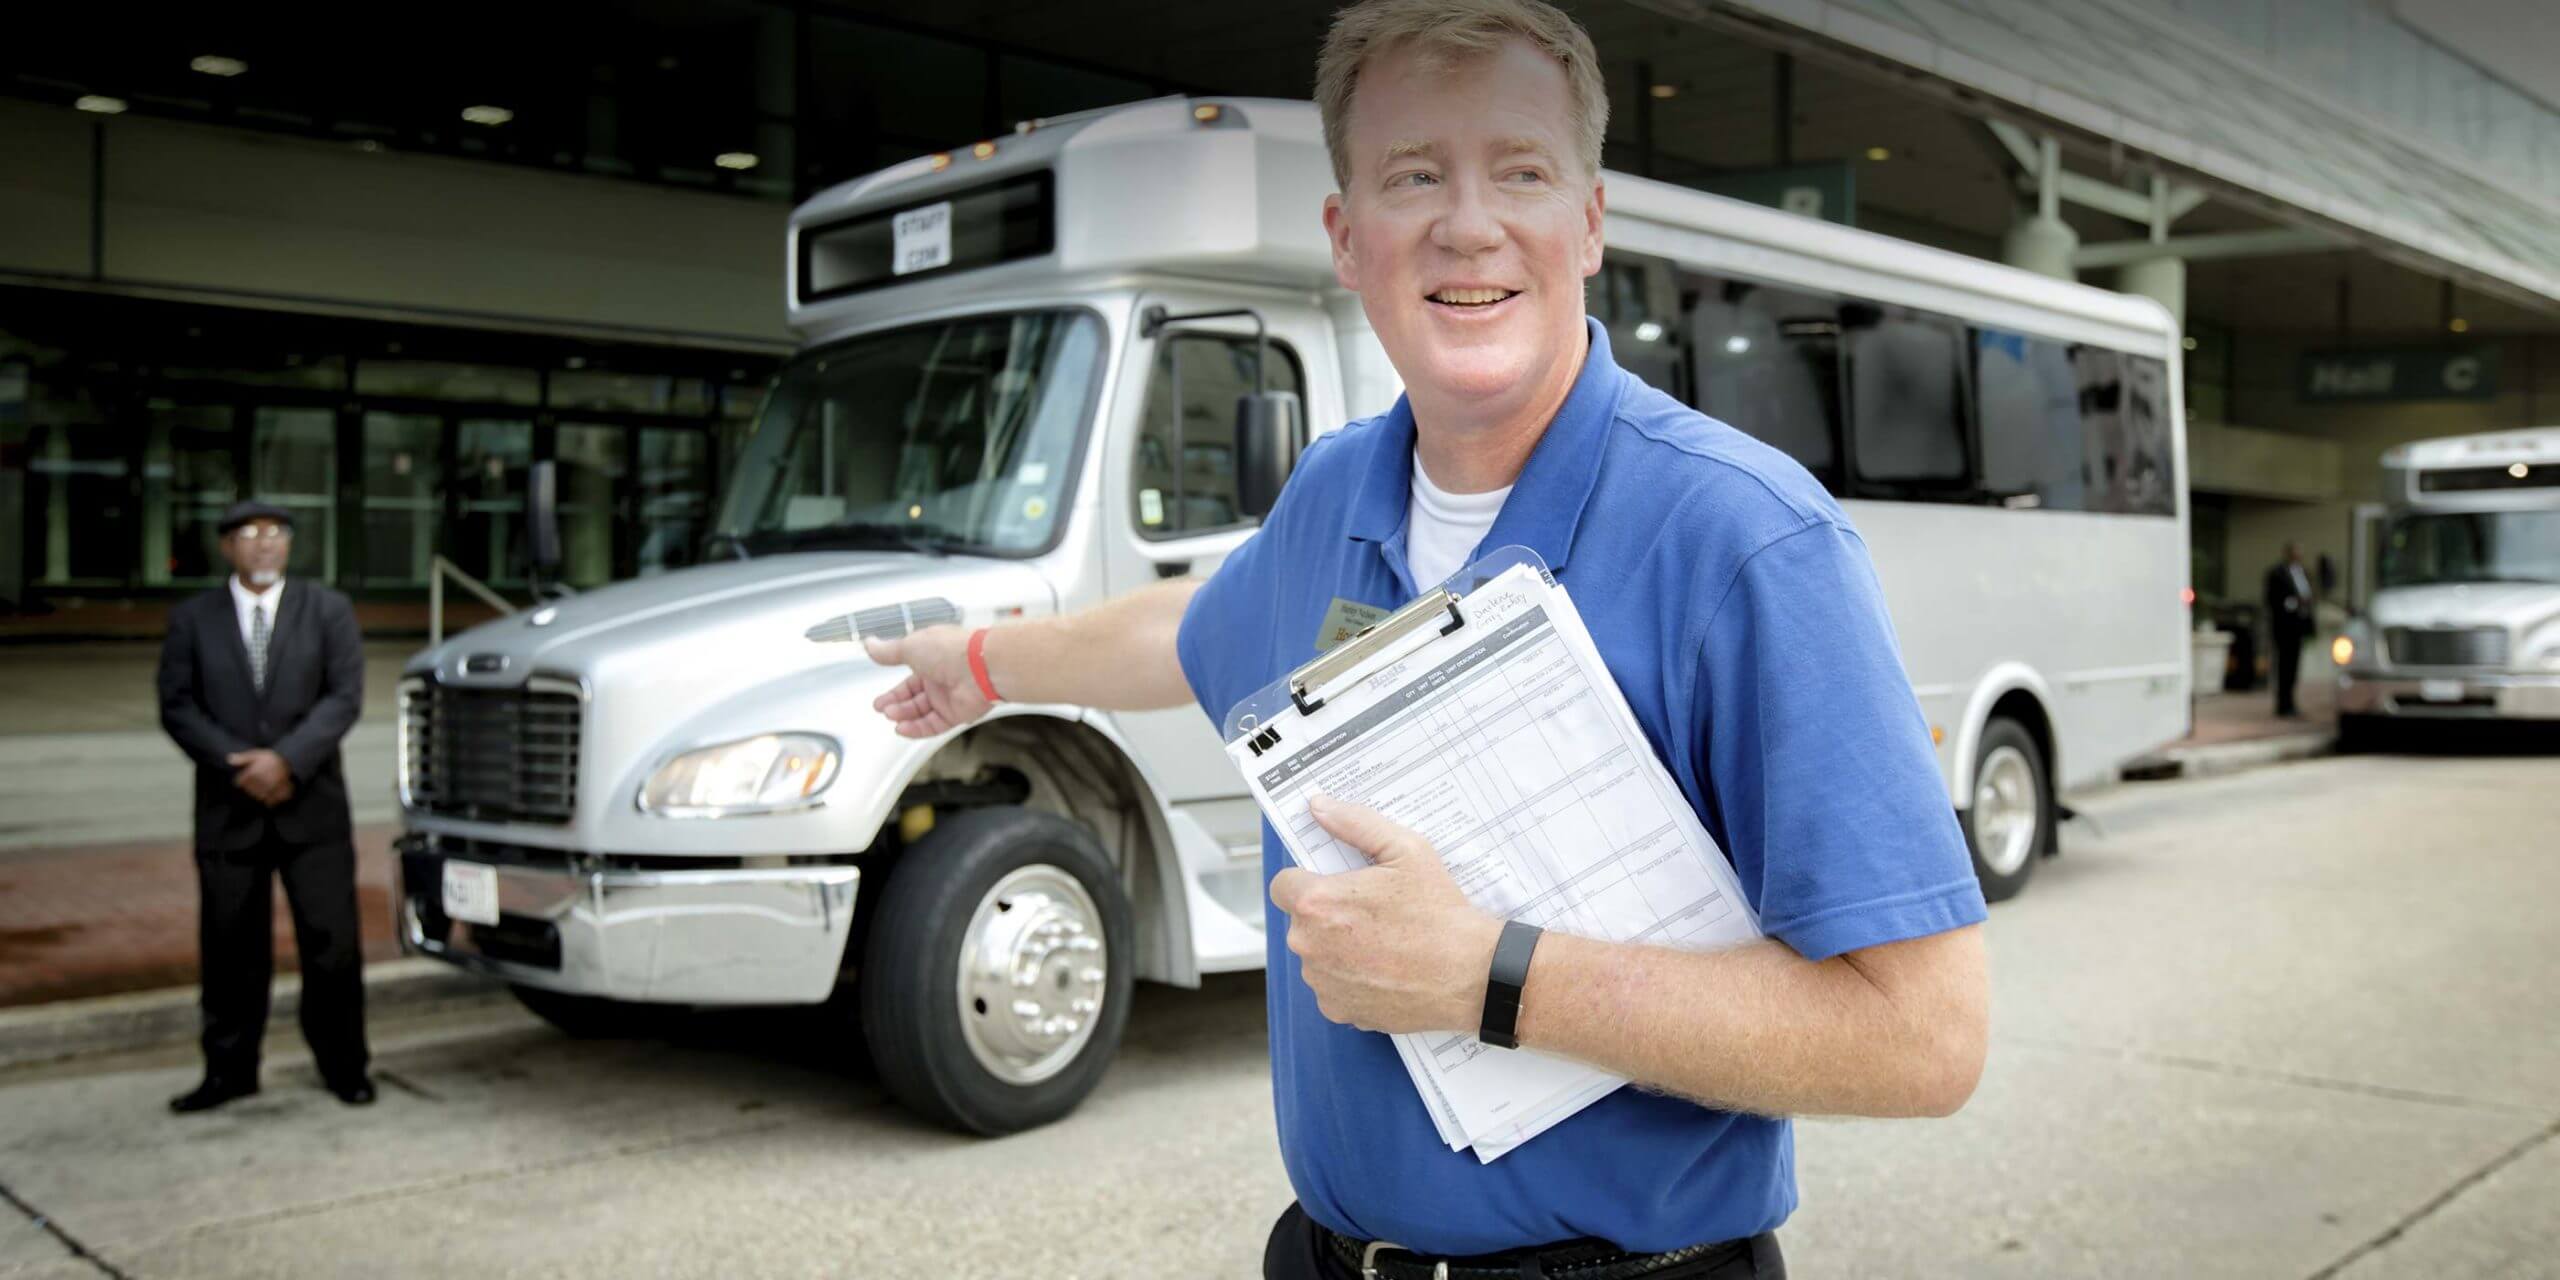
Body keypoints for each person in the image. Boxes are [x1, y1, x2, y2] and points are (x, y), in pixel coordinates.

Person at [865, 3, 1989, 1274]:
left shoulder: (1747, 541)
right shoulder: (1333, 494)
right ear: (1346, 239)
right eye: (1414, 175)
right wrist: (981, 664)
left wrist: (1490, 978)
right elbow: (1195, 628)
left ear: (1589, 221)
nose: (1468, 223)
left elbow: (1923, 1036)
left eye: (1520, 169)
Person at [156, 500, 374, 1112]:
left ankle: (344, 1065)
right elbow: (177, 705)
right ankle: (229, 1071)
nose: (264, 544)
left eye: (276, 534)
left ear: (289, 545)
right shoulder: (193, 619)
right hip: (230, 811)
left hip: (314, 810)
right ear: (226, 546)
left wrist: (286, 761)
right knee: (230, 949)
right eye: (249, 534)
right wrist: (239, 763)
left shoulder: (327, 610)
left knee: (331, 946)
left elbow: (343, 697)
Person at [2263, 542, 2316, 717]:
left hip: (2298, 627)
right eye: (2295, 552)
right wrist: (2294, 602)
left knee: (2294, 667)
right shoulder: (2277, 573)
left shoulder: (2303, 572)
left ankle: (2291, 703)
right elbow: (2272, 600)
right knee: (2284, 667)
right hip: (2284, 627)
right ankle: (2283, 705)